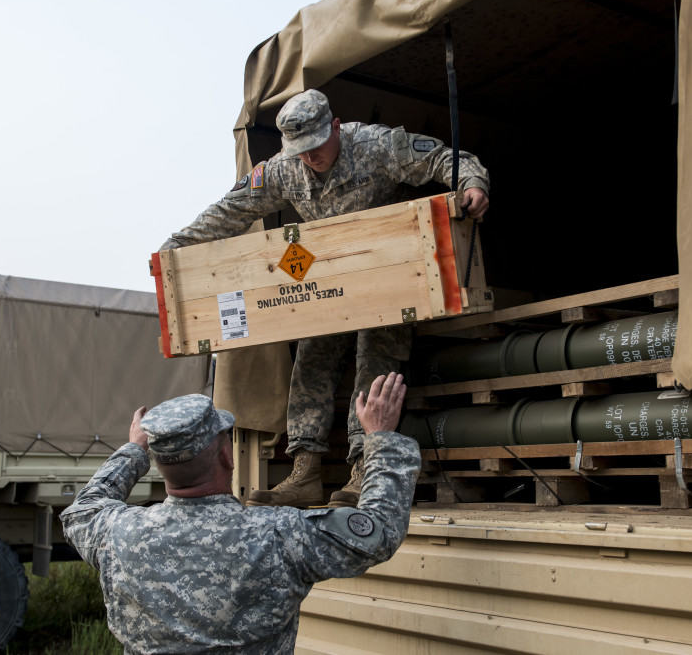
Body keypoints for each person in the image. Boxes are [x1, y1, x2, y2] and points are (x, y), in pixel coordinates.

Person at [160, 88, 489, 508]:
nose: (309, 158)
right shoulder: (284, 170)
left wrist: (472, 182)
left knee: (376, 356)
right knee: (311, 355)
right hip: (328, 278)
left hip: (388, 271)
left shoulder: (375, 144)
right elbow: (232, 209)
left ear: (335, 127)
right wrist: (178, 244)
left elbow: (443, 158)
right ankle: (304, 472)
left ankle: (362, 469)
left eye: (315, 147)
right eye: (300, 151)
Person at [60, 372, 419, 654]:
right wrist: (380, 438)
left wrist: (134, 450)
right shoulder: (279, 535)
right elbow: (379, 531)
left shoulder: (118, 534)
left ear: (158, 464)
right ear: (226, 456)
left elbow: (83, 508)